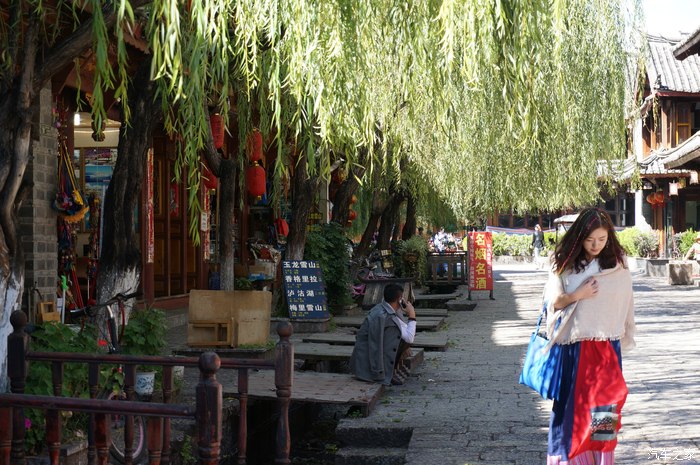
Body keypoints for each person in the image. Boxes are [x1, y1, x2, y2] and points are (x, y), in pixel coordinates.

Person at [544, 208, 635, 465]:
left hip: (606, 348)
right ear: (579, 237)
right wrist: (578, 295)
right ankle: (568, 458)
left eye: (602, 239)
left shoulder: (617, 264)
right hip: (574, 348)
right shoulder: (564, 263)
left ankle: (601, 457)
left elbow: (625, 301)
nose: (596, 245)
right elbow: (554, 302)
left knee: (605, 405)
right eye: (590, 239)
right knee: (571, 408)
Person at [349, 283, 416, 386]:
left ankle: (393, 370)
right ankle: (388, 372)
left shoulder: (383, 308)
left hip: (362, 363)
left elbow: (404, 328)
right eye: (402, 297)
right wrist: (412, 315)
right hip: (367, 367)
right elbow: (409, 338)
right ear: (399, 299)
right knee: (403, 341)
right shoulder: (384, 317)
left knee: (403, 342)